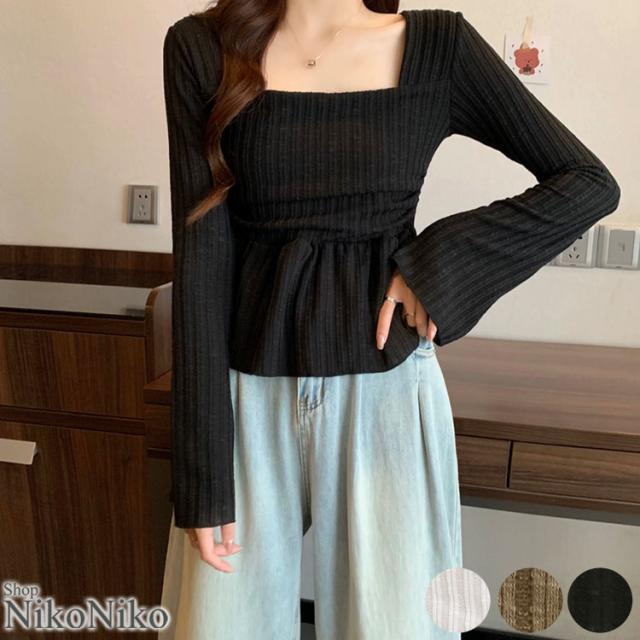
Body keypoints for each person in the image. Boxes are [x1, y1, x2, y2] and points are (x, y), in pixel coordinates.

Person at [159, 1, 621, 638]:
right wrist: (202, 477)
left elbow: (587, 182)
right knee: (217, 627)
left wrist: (436, 266)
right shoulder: (200, 48)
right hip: (242, 401)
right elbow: (202, 257)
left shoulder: (437, 46)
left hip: (387, 396)